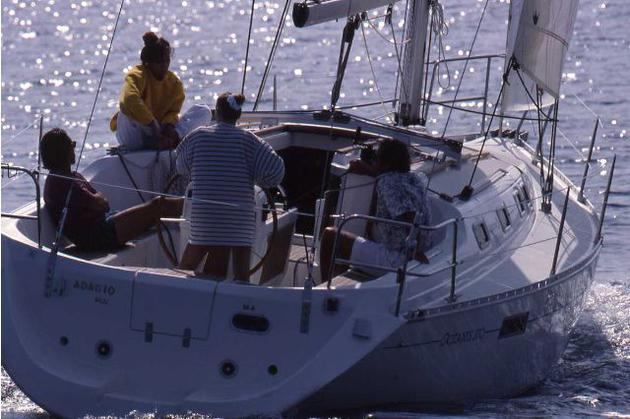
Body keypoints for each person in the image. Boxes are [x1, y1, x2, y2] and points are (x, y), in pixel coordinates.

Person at [176, 92, 285, 282]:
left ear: (217, 112)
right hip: (239, 225)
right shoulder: (250, 141)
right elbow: (277, 172)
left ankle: (176, 289)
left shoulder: (197, 137)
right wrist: (258, 179)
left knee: (184, 270)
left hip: (205, 221)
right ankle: (241, 287)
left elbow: (181, 167)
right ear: (238, 115)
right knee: (241, 272)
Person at [41, 128, 183, 251]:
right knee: (158, 206)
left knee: (156, 209)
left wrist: (98, 203)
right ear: (63, 151)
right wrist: (99, 202)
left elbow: (103, 204)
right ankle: (193, 206)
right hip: (98, 235)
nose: (74, 149)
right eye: (72, 145)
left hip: (104, 223)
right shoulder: (61, 181)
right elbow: (99, 203)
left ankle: (189, 207)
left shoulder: (71, 176)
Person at [319, 139, 432, 282]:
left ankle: (325, 287)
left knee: (330, 236)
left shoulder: (387, 183)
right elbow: (389, 179)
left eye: (377, 158)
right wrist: (368, 170)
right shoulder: (414, 179)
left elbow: (409, 214)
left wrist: (415, 251)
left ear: (386, 163)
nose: (374, 162)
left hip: (398, 258)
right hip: (420, 249)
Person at [110, 32, 185, 151]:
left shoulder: (175, 83)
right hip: (140, 131)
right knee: (125, 113)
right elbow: (129, 99)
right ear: (148, 63)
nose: (164, 65)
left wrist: (168, 126)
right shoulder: (137, 75)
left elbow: (173, 112)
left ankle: (172, 139)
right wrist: (151, 123)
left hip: (161, 130)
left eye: (167, 61)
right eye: (159, 62)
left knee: (202, 111)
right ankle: (151, 144)